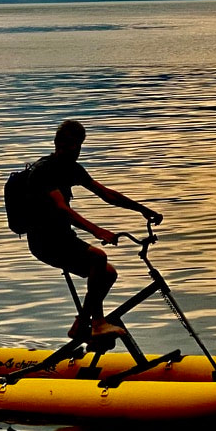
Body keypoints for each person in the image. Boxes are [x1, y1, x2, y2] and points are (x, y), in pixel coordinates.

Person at [26, 119, 162, 340]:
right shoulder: (45, 171)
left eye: (76, 146)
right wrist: (97, 231)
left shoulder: (71, 168)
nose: (73, 151)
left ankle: (81, 324)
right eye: (69, 146)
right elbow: (61, 209)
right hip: (45, 242)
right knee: (98, 258)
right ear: (58, 144)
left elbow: (106, 194)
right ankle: (97, 323)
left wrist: (143, 210)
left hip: (63, 237)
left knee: (108, 273)